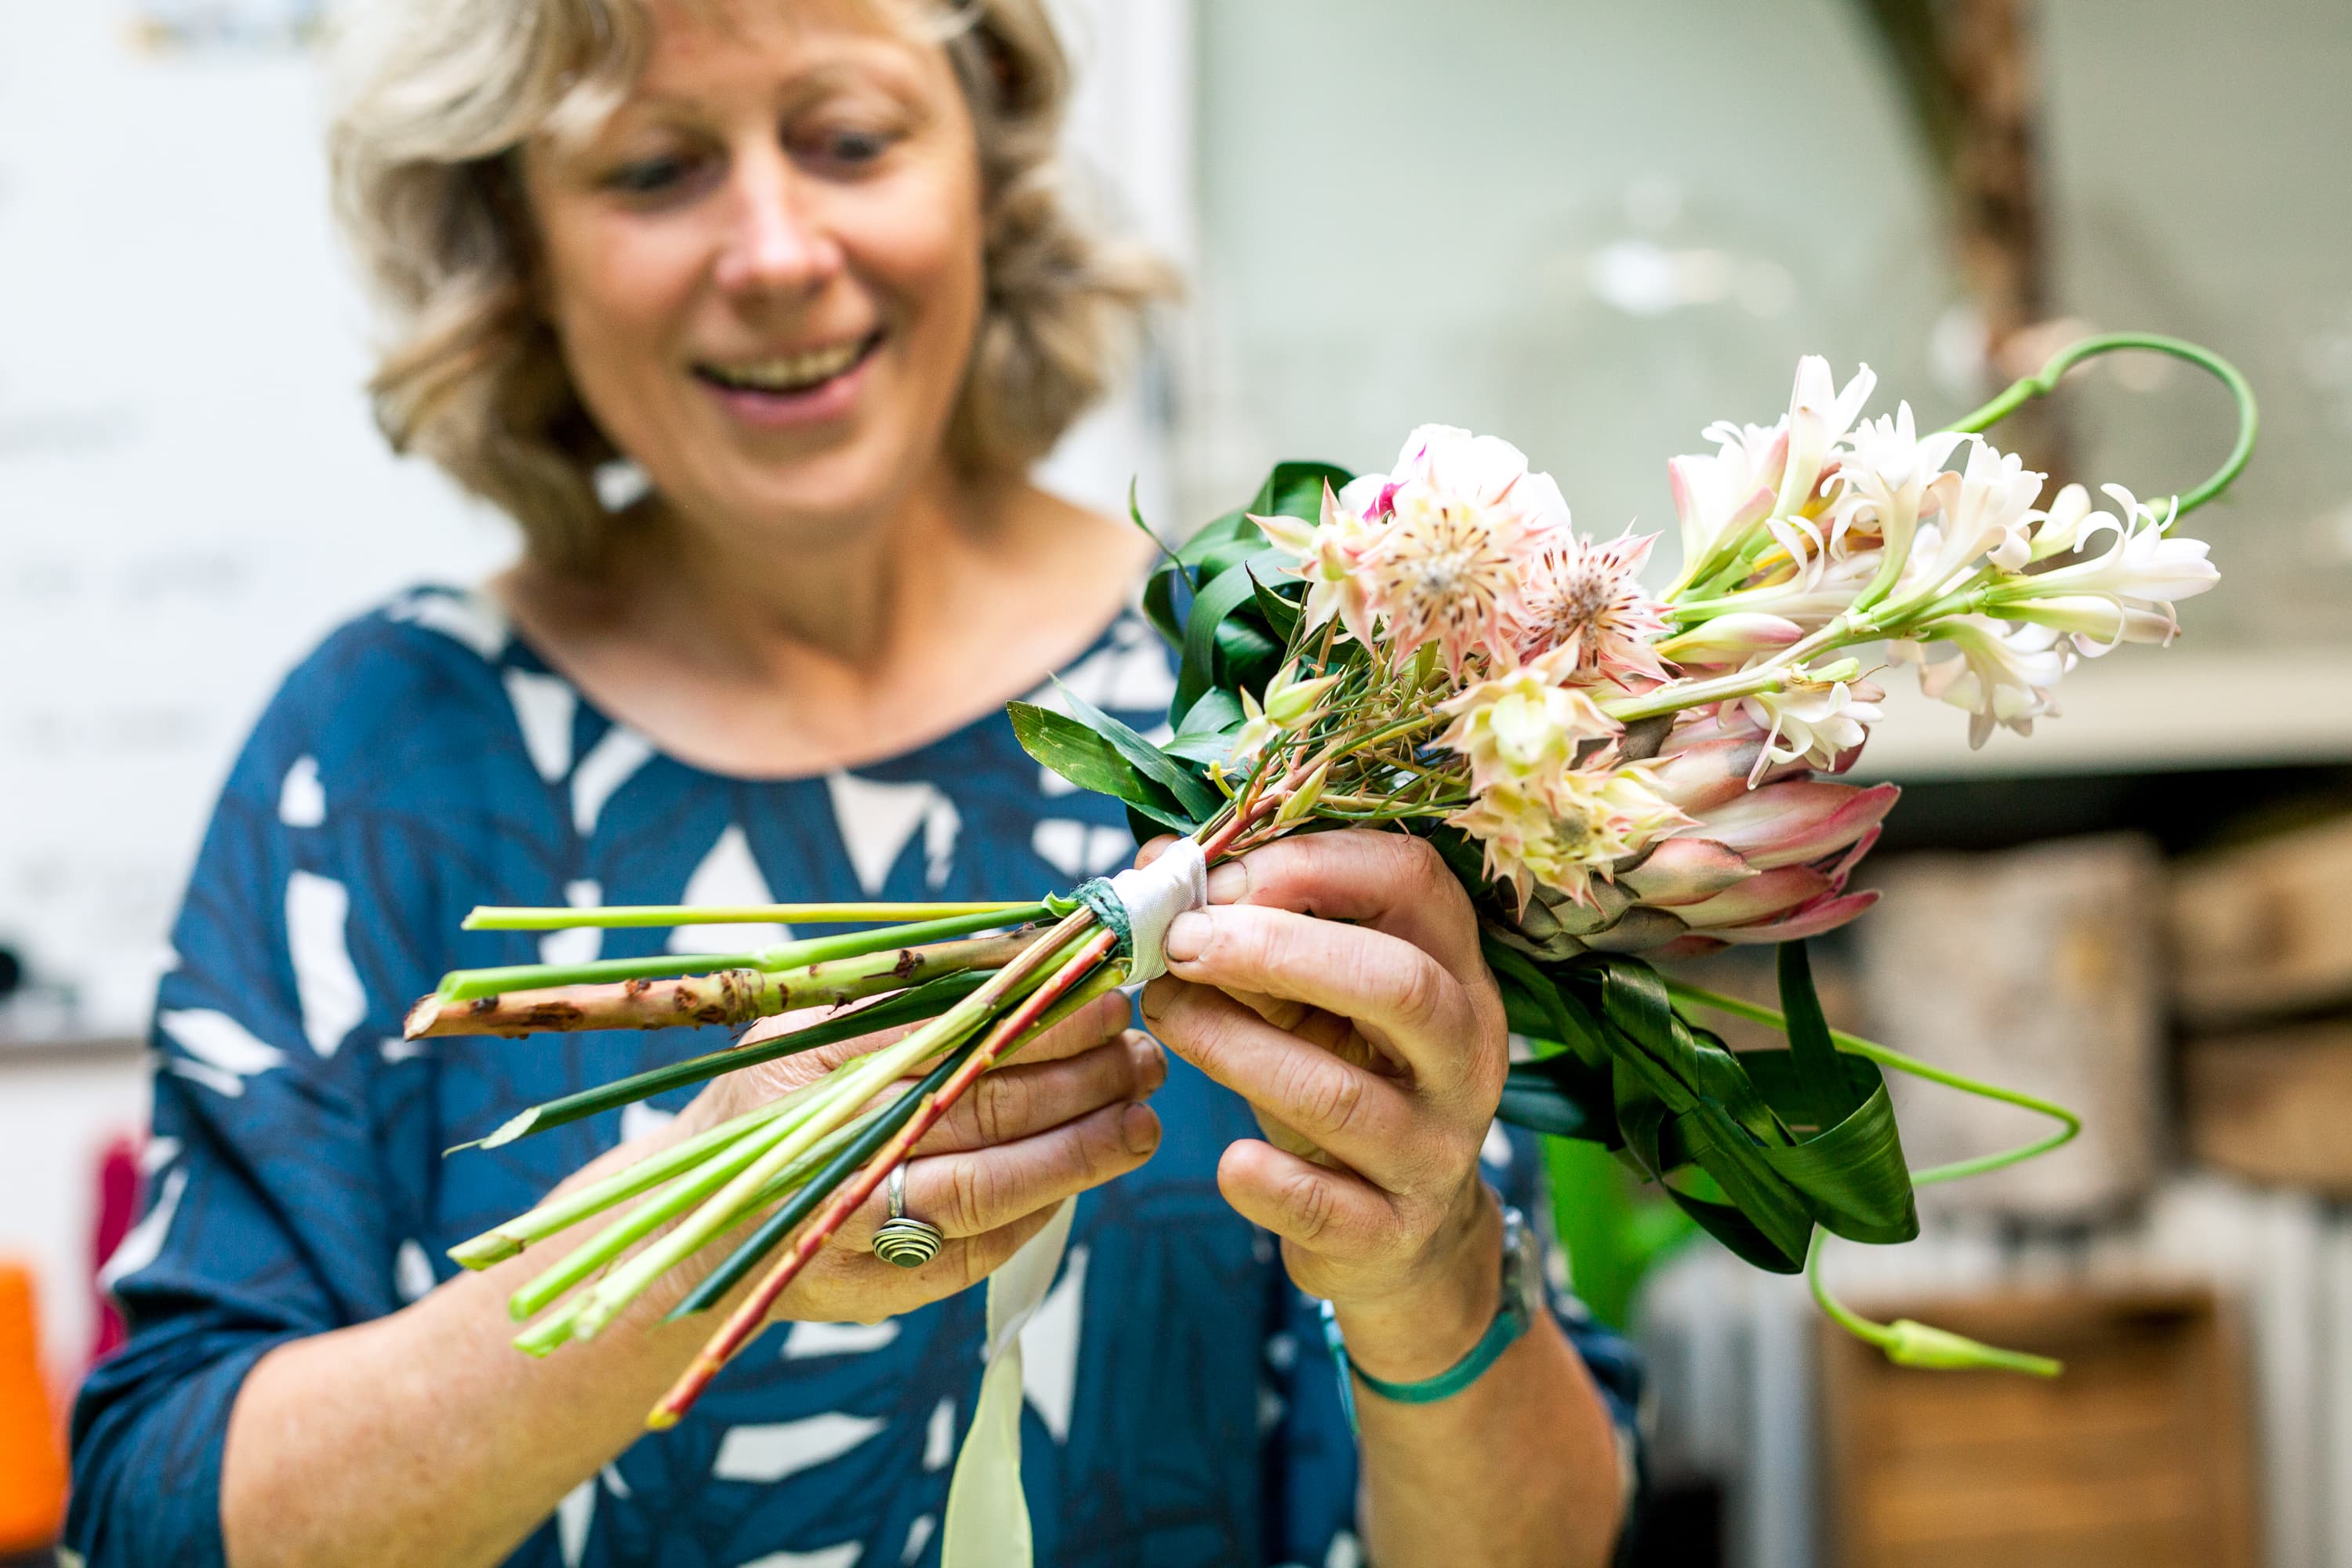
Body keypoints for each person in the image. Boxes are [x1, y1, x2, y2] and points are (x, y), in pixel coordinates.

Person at [66, 2, 1640, 1564]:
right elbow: (155, 1518)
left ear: (987, 173)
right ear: (518, 245)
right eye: (655, 170)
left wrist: (1430, 1255)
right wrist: (700, 1230)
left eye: (849, 140)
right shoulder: (379, 758)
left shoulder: (1269, 713)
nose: (773, 249)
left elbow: (1552, 1534)